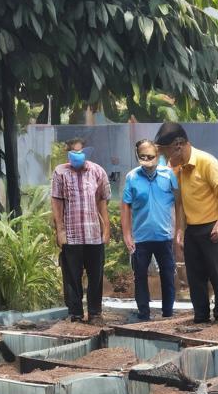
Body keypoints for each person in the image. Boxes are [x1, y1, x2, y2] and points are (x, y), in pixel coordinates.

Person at [154, 121, 218, 323]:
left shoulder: (206, 161)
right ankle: (201, 317)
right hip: (192, 230)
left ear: (178, 145)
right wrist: (180, 228)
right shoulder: (179, 169)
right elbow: (180, 202)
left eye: (166, 152)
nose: (165, 157)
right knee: (195, 277)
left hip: (211, 227)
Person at [50, 138, 110, 323]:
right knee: (72, 276)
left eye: (80, 152)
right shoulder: (60, 172)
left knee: (96, 275)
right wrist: (60, 231)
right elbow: (57, 203)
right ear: (68, 154)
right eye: (73, 152)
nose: (77, 156)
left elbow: (102, 201)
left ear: (86, 152)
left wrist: (106, 229)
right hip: (72, 234)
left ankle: (95, 313)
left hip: (93, 235)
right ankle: (75, 313)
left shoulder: (97, 171)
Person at [122, 139, 179, 321]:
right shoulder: (131, 177)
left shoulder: (169, 175)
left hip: (164, 236)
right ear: (137, 156)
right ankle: (144, 314)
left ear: (158, 155)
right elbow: (125, 207)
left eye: (151, 156)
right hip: (141, 238)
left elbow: (179, 204)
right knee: (140, 276)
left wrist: (179, 230)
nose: (147, 159)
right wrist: (127, 235)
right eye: (143, 156)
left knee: (168, 274)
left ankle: (168, 313)